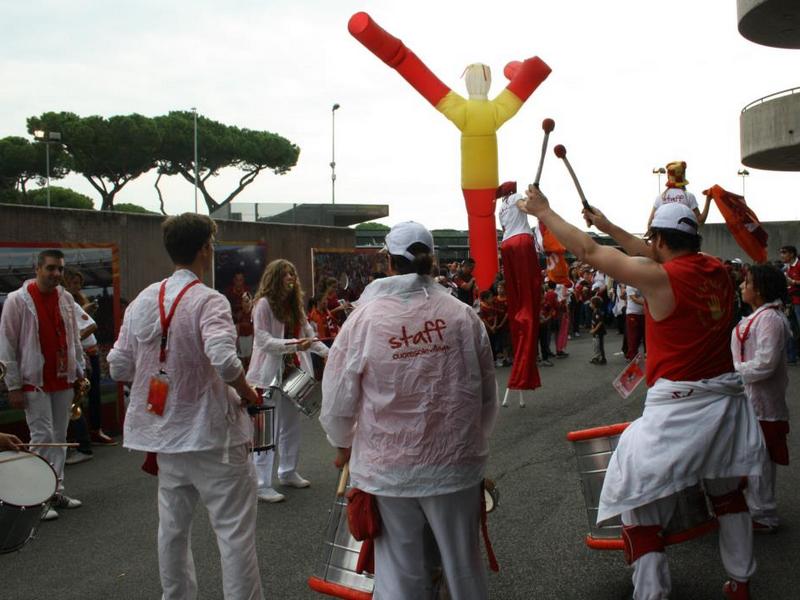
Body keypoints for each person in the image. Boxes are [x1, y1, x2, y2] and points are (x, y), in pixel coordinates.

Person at [524, 187, 766, 600]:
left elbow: (587, 252)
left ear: (660, 240)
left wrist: (544, 211)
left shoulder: (660, 278)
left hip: (678, 413)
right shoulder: (717, 271)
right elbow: (647, 250)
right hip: (726, 408)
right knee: (728, 497)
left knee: (637, 505)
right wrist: (607, 225)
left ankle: (651, 594)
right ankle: (740, 581)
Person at [320, 221, 498, 600]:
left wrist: (342, 443)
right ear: (431, 260)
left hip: (389, 471)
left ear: (388, 261)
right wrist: (474, 442)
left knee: (401, 576)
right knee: (463, 569)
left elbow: (337, 396)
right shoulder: (462, 316)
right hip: (455, 465)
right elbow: (486, 392)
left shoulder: (364, 320)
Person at [108, 213, 263, 600]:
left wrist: (159, 376)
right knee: (233, 534)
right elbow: (226, 362)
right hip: (213, 436)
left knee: (172, 531)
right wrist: (248, 393)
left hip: (165, 436)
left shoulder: (144, 299)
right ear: (205, 249)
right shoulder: (208, 300)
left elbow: (118, 365)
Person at [0, 249, 86, 521]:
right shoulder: (17, 300)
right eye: (51, 268)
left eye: (60, 269)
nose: (56, 274)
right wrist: (12, 385)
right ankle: (37, 497)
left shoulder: (66, 298)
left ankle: (55, 490)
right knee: (42, 438)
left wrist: (79, 371)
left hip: (62, 378)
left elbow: (74, 337)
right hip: (33, 381)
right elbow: (7, 344)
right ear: (37, 269)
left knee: (59, 438)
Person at [246, 259, 329, 503]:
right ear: (274, 278)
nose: (291, 277)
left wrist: (333, 354)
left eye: (292, 273)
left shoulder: (296, 307)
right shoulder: (262, 305)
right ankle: (261, 484)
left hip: (293, 373)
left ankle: (288, 471)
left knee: (291, 425)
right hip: (267, 375)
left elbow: (310, 338)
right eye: (285, 274)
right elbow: (262, 340)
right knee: (265, 429)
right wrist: (293, 344)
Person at [732, 264, 792, 534]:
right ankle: (754, 508)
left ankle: (763, 514)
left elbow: (766, 363)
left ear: (760, 289)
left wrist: (731, 372)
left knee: (761, 458)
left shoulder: (770, 319)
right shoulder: (759, 317)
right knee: (751, 456)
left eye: (747, 282)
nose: (743, 286)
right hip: (750, 401)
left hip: (764, 404)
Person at [646, 161, 712, 229]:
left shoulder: (660, 197)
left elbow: (649, 224)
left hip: (664, 238)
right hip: (684, 237)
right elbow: (700, 221)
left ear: (668, 177)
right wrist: (708, 199)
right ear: (683, 176)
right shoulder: (689, 196)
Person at [779, 245, 800, 364]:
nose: (782, 255)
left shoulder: (799, 265)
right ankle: (792, 357)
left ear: (792, 254)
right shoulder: (785, 268)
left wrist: (793, 282)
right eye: (781, 252)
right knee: (790, 329)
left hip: (798, 302)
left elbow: (792, 283)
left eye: (784, 252)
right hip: (789, 303)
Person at [625, 284, 646, 360]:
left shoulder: (643, 283)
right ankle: (633, 357)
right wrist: (647, 303)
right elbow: (634, 298)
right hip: (632, 313)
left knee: (645, 336)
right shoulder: (630, 284)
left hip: (644, 313)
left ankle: (647, 355)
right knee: (633, 337)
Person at [589, 296, 607, 365]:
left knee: (600, 345)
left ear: (594, 304)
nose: (590, 304)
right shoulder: (594, 311)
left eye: (591, 303)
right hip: (595, 332)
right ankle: (596, 357)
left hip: (599, 332)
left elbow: (600, 322)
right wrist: (592, 328)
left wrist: (594, 330)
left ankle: (603, 358)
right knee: (595, 345)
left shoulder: (598, 312)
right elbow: (594, 321)